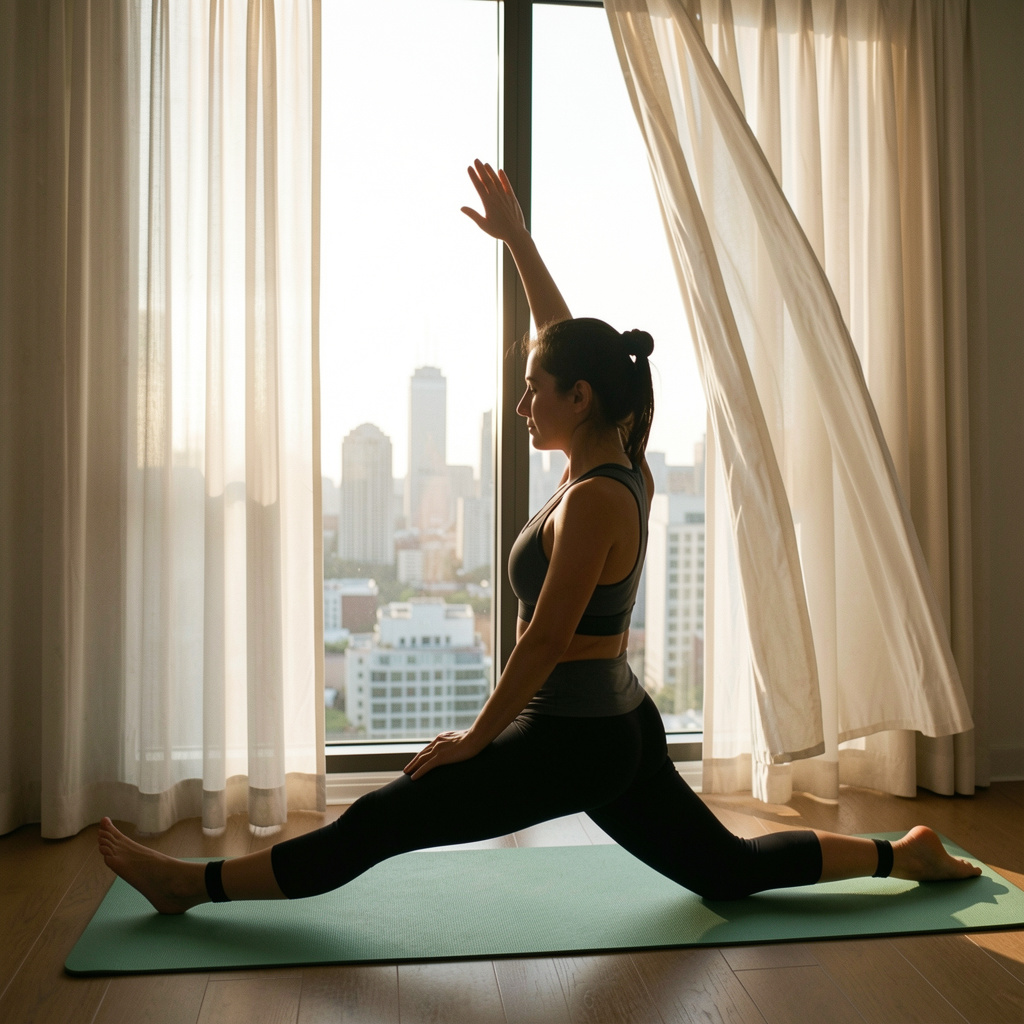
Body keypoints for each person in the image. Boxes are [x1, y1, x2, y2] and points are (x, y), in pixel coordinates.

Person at [98, 160, 980, 914]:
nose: (523, 405)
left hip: (577, 743)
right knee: (726, 872)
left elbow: (549, 638)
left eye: (534, 391)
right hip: (615, 723)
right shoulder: (614, 462)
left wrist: (474, 741)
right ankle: (908, 852)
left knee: (381, 821)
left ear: (581, 398)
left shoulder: (598, 498)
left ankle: (192, 886)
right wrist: (518, 242)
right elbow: (565, 340)